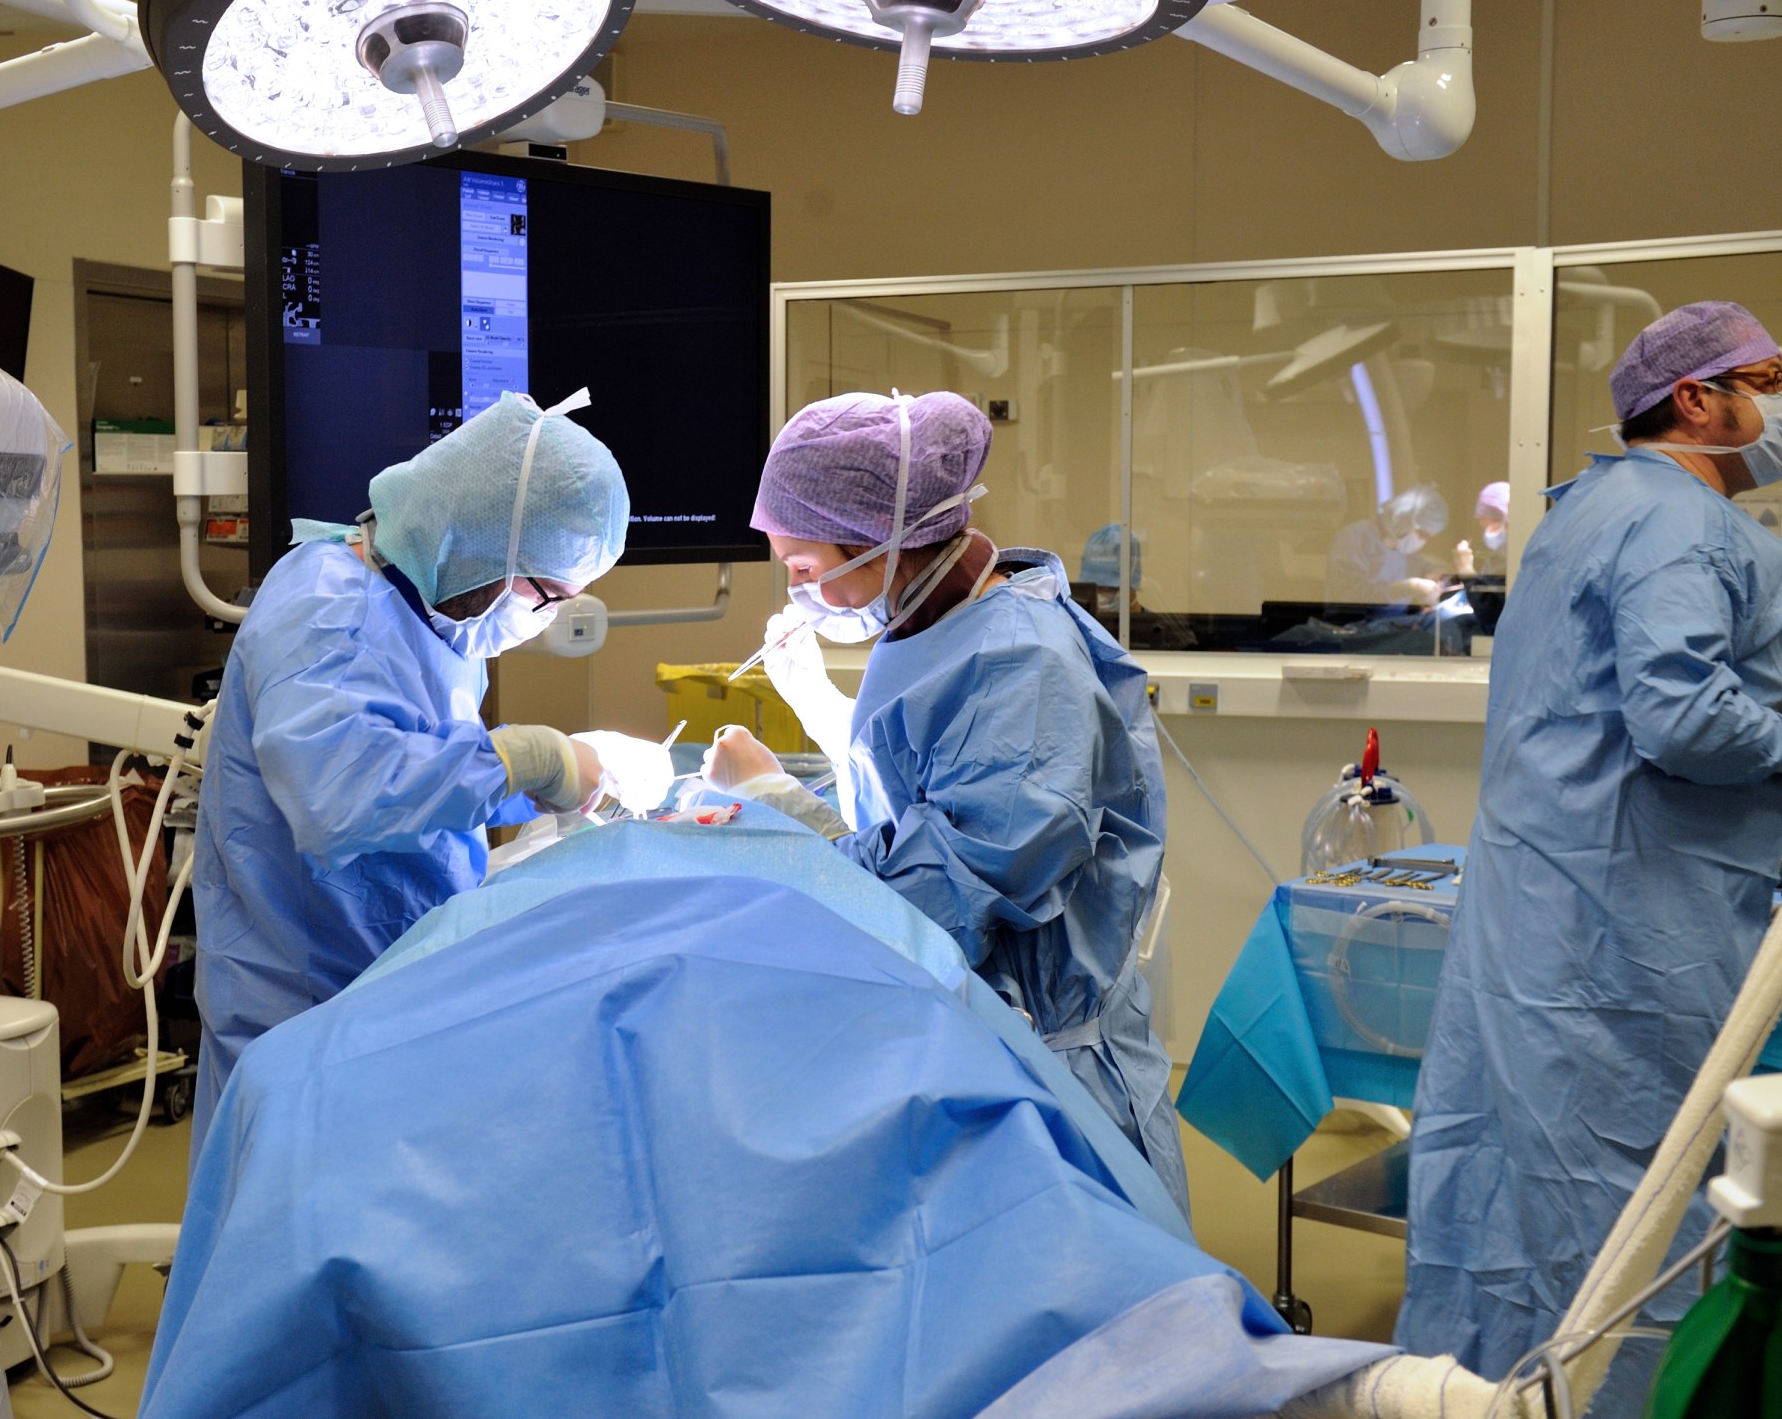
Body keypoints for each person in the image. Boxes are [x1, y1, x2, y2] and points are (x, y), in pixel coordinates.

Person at [1396, 303, 1782, 1404]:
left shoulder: (1588, 510)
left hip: (1536, 912)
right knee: (1626, 1202)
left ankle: (1481, 1393)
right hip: (1627, 933)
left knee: (1500, 1179)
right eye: (1768, 377)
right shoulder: (1682, 528)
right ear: (1697, 399)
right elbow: (1683, 719)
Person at [700, 391, 1188, 1217]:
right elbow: (924, 798)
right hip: (979, 1041)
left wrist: (775, 804)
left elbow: (933, 897)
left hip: (1051, 1087)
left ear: (885, 542)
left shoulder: (1022, 671)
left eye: (806, 569)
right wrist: (816, 713)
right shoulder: (943, 621)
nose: (798, 592)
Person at [190, 389, 631, 1141]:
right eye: (547, 593)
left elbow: (424, 778)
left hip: (386, 977)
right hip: (307, 999)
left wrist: (540, 790)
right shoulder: (329, 612)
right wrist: (531, 760)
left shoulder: (433, 613)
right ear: (488, 541)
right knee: (295, 1226)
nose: (547, 614)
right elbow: (342, 795)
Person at [1326, 486, 1449, 606]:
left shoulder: (1402, 548)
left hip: (1389, 624)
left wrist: (1435, 573)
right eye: (1422, 534)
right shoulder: (1353, 538)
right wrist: (1407, 587)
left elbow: (1422, 566)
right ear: (1404, 519)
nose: (1422, 541)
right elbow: (1350, 596)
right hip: (1352, 624)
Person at [1454, 481, 1510, 578]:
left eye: (1497, 522)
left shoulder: (1520, 561)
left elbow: (1487, 593)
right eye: (1485, 527)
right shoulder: (1496, 561)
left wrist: (1466, 569)